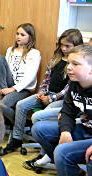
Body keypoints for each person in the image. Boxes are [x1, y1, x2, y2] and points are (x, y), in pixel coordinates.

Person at [32, 45, 92, 176]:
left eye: (76, 64)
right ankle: (70, 172)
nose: (69, 68)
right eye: (69, 63)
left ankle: (67, 166)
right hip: (85, 129)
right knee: (40, 128)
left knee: (62, 152)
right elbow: (66, 111)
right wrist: (65, 131)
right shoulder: (74, 83)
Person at [20, 29, 83, 168]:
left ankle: (45, 154)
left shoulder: (75, 66)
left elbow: (67, 91)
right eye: (61, 45)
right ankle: (16, 138)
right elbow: (46, 78)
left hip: (59, 99)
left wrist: (52, 98)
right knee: (21, 105)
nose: (63, 48)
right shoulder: (56, 58)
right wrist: (42, 92)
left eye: (68, 46)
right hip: (47, 94)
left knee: (38, 116)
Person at [0, 23, 41, 154]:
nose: (18, 37)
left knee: (1, 106)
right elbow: (2, 73)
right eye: (17, 34)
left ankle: (19, 125)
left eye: (22, 35)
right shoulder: (11, 50)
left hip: (22, 89)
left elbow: (30, 77)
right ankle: (16, 122)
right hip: (7, 85)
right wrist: (0, 90)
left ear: (30, 37)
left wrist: (13, 89)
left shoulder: (34, 53)